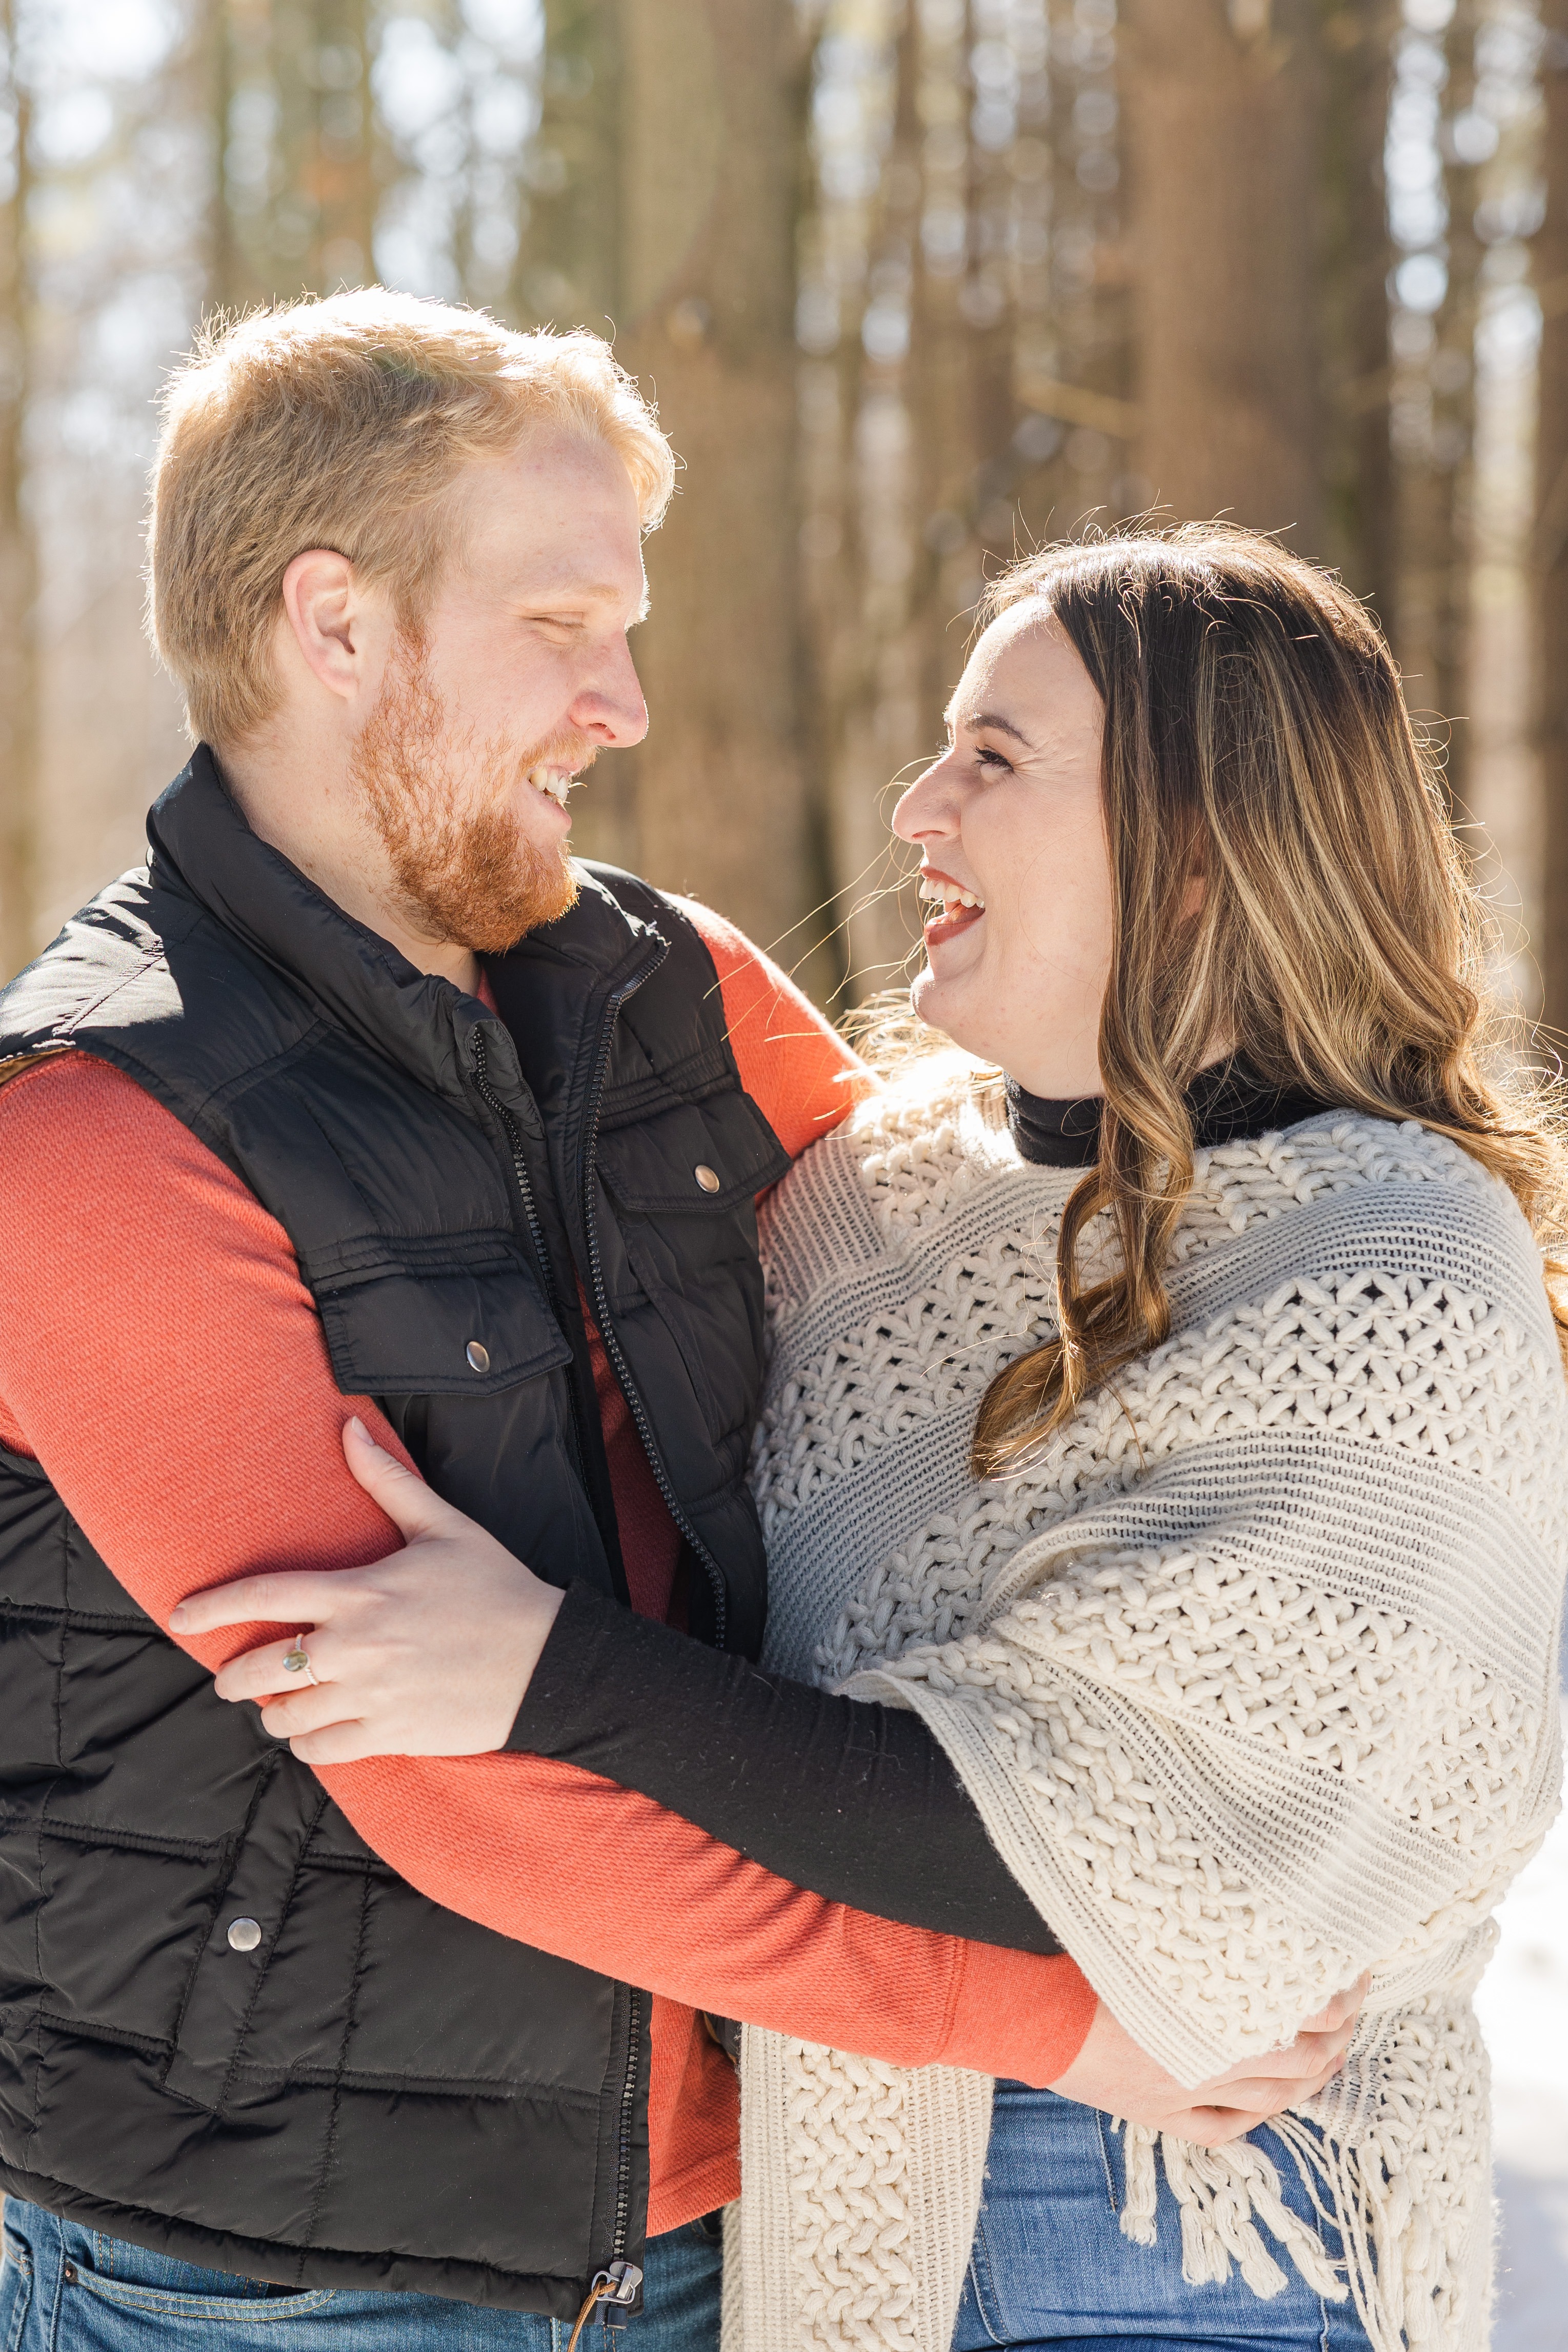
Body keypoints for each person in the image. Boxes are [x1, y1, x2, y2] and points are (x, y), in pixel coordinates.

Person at [0, 304, 1350, 2352]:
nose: (622, 700)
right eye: (559, 621)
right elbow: (457, 1776)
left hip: (738, 2211)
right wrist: (1057, 2020)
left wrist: (1374, 1220)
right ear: (334, 623)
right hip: (283, 2275)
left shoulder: (675, 986)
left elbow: (1007, 1273)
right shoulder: (92, 1134)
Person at [187, 526, 1568, 2352]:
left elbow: (1080, 1844)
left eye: (994, 759)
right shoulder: (868, 1202)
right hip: (833, 2178)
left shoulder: (1385, 1266)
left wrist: (540, 1672)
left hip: (1174, 2210)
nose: (917, 806)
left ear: (1196, 851)